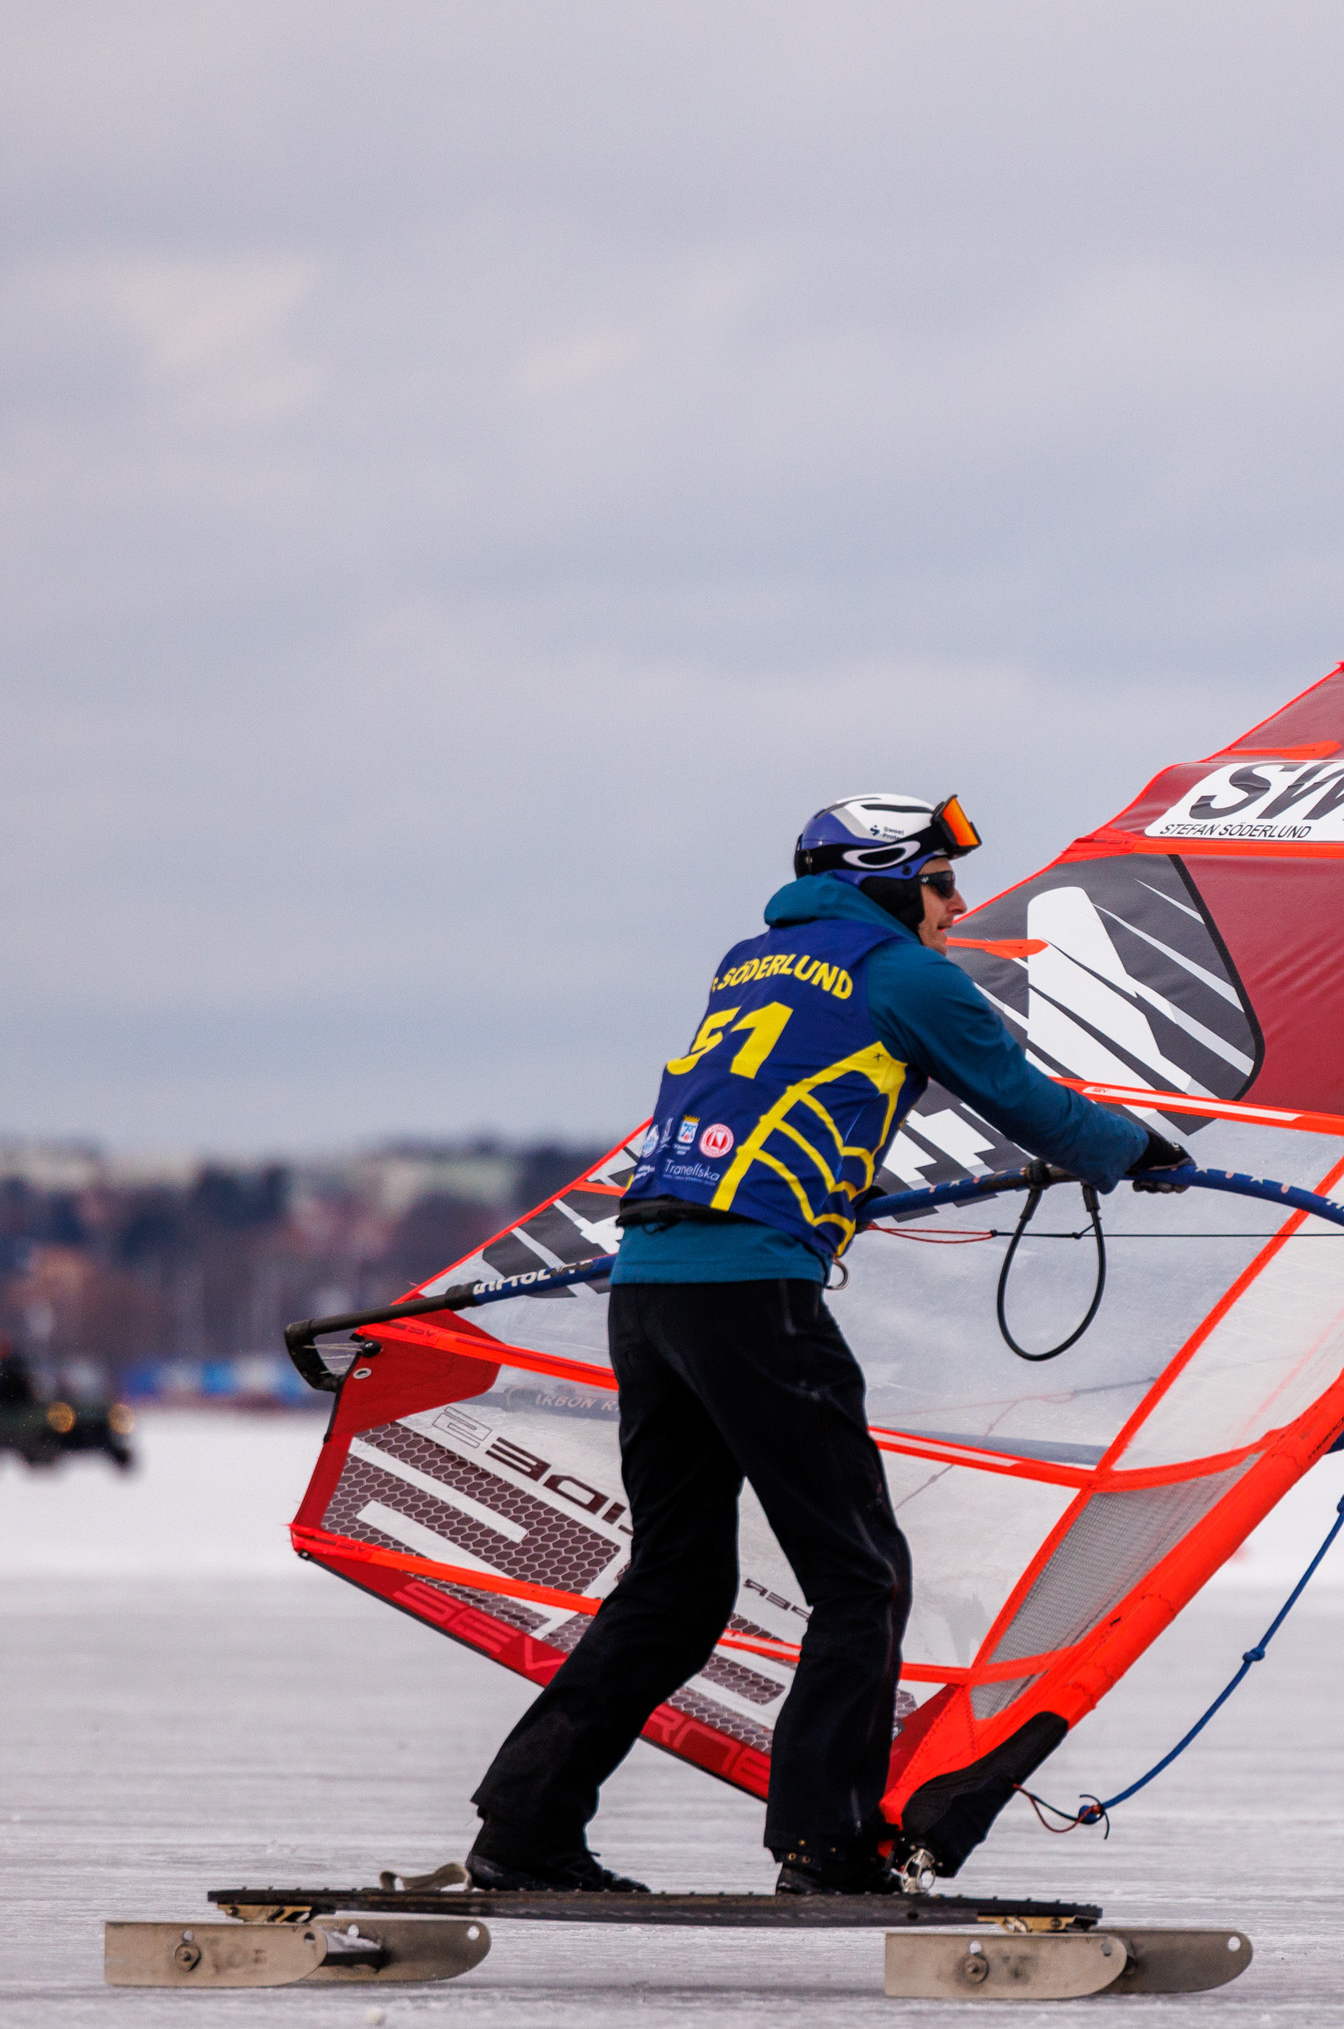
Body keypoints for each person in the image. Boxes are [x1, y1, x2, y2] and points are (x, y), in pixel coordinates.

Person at [464, 791, 1190, 1897]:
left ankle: (524, 1824)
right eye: (939, 883)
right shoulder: (902, 974)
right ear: (883, 883)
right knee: (860, 1576)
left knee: (676, 1586)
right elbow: (1027, 1102)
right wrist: (1137, 1149)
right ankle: (824, 1843)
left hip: (649, 1286)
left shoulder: (750, 963)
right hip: (752, 1293)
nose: (956, 905)